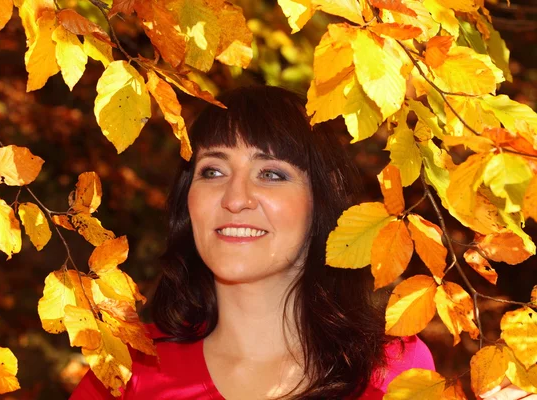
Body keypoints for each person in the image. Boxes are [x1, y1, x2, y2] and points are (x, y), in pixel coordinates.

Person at [70, 86, 527, 399]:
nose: (235, 198)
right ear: (187, 202)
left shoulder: (389, 369)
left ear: (319, 203)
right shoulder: (126, 370)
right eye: (213, 171)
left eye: (271, 174)